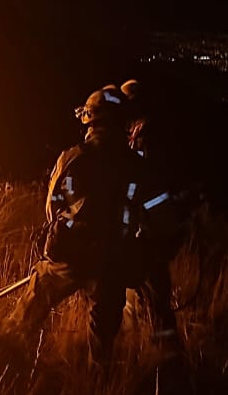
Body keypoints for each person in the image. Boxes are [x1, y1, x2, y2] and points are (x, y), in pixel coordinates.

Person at [12, 85, 153, 363]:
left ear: (90, 119)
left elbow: (51, 205)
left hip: (69, 254)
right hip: (112, 261)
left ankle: (5, 355)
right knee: (103, 343)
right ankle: (100, 383)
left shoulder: (73, 157)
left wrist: (66, 231)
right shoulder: (135, 165)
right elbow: (141, 211)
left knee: (31, 307)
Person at [120, 79, 198, 357]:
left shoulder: (146, 135)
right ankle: (142, 348)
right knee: (142, 291)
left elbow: (144, 183)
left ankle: (166, 355)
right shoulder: (154, 131)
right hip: (158, 227)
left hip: (152, 230)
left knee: (152, 290)